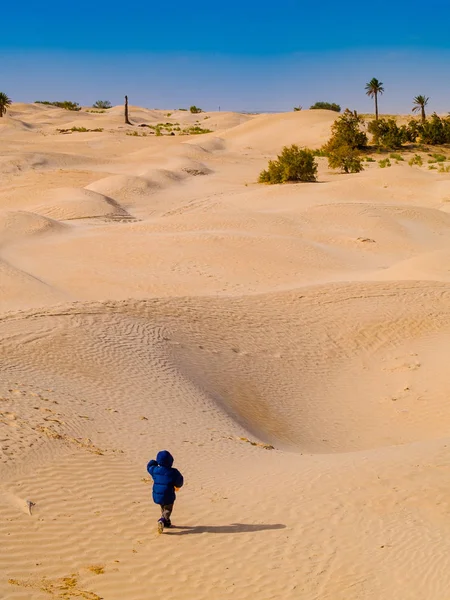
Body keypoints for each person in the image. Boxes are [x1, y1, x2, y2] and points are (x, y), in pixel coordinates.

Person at [147, 450, 184, 533]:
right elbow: (179, 481)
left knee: (163, 507)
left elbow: (149, 466)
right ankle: (162, 520)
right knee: (168, 509)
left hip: (157, 495)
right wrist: (178, 486)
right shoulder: (173, 472)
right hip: (168, 494)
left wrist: (154, 462)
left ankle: (166, 523)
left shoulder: (155, 470)